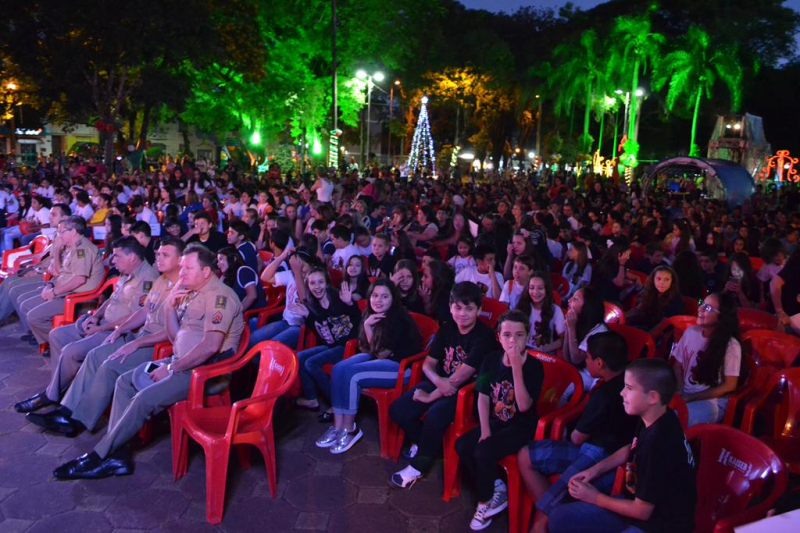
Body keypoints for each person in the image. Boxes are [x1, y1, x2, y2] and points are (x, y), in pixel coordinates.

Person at [52, 243, 244, 480]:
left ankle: (99, 456)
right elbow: (176, 338)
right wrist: (170, 309)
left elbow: (210, 347)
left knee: (144, 398)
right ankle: (118, 456)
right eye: (181, 267)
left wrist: (172, 368)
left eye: (188, 269)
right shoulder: (191, 293)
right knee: (124, 382)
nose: (181, 273)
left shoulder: (219, 297)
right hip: (181, 362)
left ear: (206, 272)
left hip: (204, 371)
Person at [25, 238, 185, 436]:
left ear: (181, 260)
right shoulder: (161, 281)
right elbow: (144, 312)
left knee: (106, 363)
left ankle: (77, 420)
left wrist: (124, 335)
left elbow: (174, 333)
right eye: (159, 253)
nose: (158, 257)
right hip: (134, 335)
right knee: (92, 356)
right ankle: (66, 411)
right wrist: (117, 328)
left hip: (154, 344)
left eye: (165, 255)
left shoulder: (178, 287)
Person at [547, 358, 696, 533]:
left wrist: (595, 498)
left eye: (629, 388)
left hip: (658, 526)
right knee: (560, 518)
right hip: (635, 508)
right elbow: (631, 447)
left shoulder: (657, 444)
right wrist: (594, 470)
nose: (622, 393)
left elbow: (642, 511)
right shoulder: (659, 416)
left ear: (653, 397)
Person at [14, 236, 159, 414]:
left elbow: (134, 317)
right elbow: (113, 299)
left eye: (117, 256)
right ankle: (60, 388)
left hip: (117, 333)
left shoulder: (148, 278)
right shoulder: (126, 272)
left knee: (71, 352)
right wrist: (96, 316)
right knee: (57, 335)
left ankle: (51, 396)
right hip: (103, 323)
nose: (113, 260)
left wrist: (100, 328)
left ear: (132, 258)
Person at [519, 331, 637, 533]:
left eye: (588, 358)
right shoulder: (633, 381)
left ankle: (547, 515)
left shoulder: (603, 396)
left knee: (541, 520)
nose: (586, 361)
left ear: (599, 363)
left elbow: (576, 438)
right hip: (618, 458)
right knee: (526, 458)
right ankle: (553, 508)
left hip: (598, 456)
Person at [389, 282, 499, 489]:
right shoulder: (447, 327)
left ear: (479, 310)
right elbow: (428, 364)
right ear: (450, 307)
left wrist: (431, 396)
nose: (463, 314)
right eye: (458, 307)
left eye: (469, 308)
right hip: (443, 382)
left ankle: (419, 465)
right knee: (398, 410)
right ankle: (429, 445)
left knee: (435, 415)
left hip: (470, 392)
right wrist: (439, 383)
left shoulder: (484, 337)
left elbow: (460, 378)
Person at [455, 309, 544, 531]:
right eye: (507, 335)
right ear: (499, 336)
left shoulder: (534, 366)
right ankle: (496, 486)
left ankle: (484, 503)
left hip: (520, 426)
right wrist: (485, 429)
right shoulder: (490, 359)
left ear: (527, 336)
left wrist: (516, 367)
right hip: (496, 421)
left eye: (519, 335)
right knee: (463, 445)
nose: (512, 340)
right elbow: (483, 396)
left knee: (483, 452)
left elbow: (524, 406)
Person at [315, 278, 422, 454]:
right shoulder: (370, 313)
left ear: (392, 299)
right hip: (380, 358)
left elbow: (380, 353)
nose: (378, 300)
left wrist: (367, 326)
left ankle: (350, 429)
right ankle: (338, 425)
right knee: (338, 369)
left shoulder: (397, 319)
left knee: (352, 374)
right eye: (375, 295)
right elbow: (365, 347)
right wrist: (367, 326)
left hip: (402, 368)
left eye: (385, 296)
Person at [17, 216, 105, 347]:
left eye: (61, 232)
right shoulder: (71, 247)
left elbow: (79, 280)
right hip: (64, 290)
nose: (59, 235)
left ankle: (61, 344)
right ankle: (46, 340)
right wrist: (50, 285)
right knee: (26, 304)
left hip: (77, 297)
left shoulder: (83, 249)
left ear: (73, 231)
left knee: (34, 316)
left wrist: (54, 292)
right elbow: (61, 273)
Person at [293, 267, 361, 414]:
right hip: (331, 344)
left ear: (327, 282)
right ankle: (311, 399)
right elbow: (323, 335)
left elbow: (358, 321)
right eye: (312, 283)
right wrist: (308, 318)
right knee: (299, 358)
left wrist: (350, 304)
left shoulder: (339, 297)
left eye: (320, 282)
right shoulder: (313, 303)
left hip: (348, 345)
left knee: (311, 363)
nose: (317, 287)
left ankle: (336, 403)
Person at [670, 292, 741, 426]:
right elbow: (677, 366)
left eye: (708, 308)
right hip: (684, 393)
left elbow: (729, 385)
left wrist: (691, 397)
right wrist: (679, 390)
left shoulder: (730, 345)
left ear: (721, 317)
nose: (700, 309)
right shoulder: (690, 332)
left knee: (674, 420)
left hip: (711, 401)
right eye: (702, 304)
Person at [249, 245, 317, 350]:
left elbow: (304, 299)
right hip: (285, 321)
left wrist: (298, 272)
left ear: (311, 265)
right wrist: (282, 256)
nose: (298, 268)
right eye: (296, 265)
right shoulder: (291, 274)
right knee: (253, 339)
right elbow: (265, 277)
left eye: (302, 265)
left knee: (269, 348)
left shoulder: (315, 280)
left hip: (300, 327)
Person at [562, 287, 608, 390]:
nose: (569, 301)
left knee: (562, 391)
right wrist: (568, 329)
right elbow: (566, 357)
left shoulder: (598, 330)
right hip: (577, 369)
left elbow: (576, 359)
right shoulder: (579, 321)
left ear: (587, 307)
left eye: (575, 299)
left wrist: (571, 327)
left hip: (591, 376)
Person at [515, 272, 565, 354]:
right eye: (532, 288)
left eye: (540, 288)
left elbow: (563, 339)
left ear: (546, 290)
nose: (535, 292)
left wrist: (543, 349)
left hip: (543, 353)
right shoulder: (522, 305)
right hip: (521, 350)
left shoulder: (555, 310)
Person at [625, 266, 684, 331]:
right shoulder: (650, 291)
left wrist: (648, 337)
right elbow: (638, 309)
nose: (662, 283)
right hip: (645, 323)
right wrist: (622, 318)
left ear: (672, 281)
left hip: (660, 331)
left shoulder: (675, 299)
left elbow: (663, 324)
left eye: (666, 279)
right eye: (658, 279)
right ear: (653, 279)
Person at [217, 246, 266, 312]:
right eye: (218, 261)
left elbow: (252, 296)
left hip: (253, 314)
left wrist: (235, 313)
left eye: (221, 259)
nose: (218, 264)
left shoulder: (244, 271)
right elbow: (220, 293)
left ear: (233, 259)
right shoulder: (227, 274)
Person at [418, 259, 455, 324]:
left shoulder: (447, 298)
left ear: (437, 279)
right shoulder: (425, 292)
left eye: (426, 276)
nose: (422, 279)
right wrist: (426, 301)